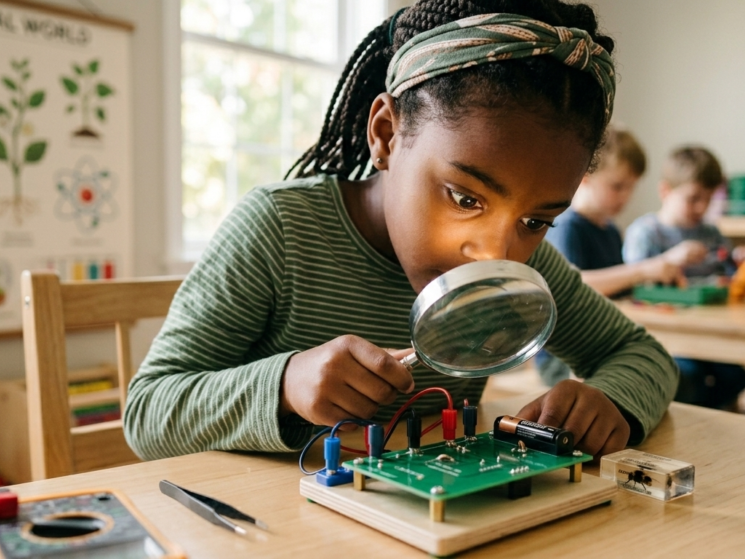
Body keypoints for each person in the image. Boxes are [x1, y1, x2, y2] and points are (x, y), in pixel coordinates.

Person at [125, 0, 679, 462]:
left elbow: (641, 354)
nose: (493, 251)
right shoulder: (280, 231)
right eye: (465, 198)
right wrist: (286, 385)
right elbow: (148, 411)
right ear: (387, 135)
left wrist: (609, 401)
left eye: (535, 222)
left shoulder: (516, 271)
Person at [535, 127, 685, 386]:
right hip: (564, 356)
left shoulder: (612, 231)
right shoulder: (569, 226)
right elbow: (574, 287)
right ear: (585, 177)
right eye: (617, 186)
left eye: (631, 188)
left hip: (602, 342)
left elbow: (619, 288)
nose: (625, 197)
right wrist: (644, 270)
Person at [622, 147, 745, 410]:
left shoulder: (711, 233)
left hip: (711, 332)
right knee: (688, 379)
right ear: (666, 191)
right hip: (664, 335)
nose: (701, 207)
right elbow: (634, 282)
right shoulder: (645, 233)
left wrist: (739, 264)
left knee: (737, 376)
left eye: (708, 199)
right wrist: (670, 260)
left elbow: (730, 276)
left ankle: (711, 423)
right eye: (693, 198)